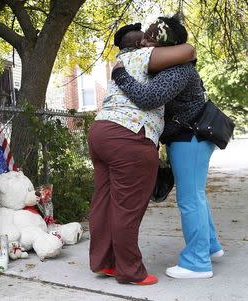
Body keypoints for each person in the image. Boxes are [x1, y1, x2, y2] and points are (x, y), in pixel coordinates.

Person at [111, 16, 224, 279]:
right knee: (196, 195)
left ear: (164, 44)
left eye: (150, 38)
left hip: (189, 138)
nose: (144, 43)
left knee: (189, 199)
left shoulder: (178, 69)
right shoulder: (172, 65)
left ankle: (197, 262)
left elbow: (148, 98)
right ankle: (211, 247)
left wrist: (120, 76)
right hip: (189, 138)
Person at [88, 22, 195, 285]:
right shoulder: (143, 55)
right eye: (146, 37)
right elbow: (189, 51)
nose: (149, 41)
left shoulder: (121, 60)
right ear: (139, 44)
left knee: (103, 202)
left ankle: (105, 262)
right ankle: (130, 271)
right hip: (129, 135)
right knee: (127, 208)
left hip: (101, 130)